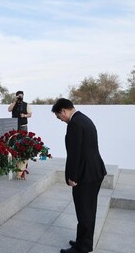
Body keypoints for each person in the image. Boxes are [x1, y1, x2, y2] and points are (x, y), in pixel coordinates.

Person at [51, 98, 107, 253]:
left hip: (86, 175)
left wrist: (72, 177)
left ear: (64, 111)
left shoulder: (75, 123)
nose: (60, 120)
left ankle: (82, 248)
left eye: (58, 116)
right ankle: (83, 242)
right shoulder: (83, 119)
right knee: (87, 211)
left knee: (85, 212)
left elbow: (75, 153)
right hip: (93, 172)